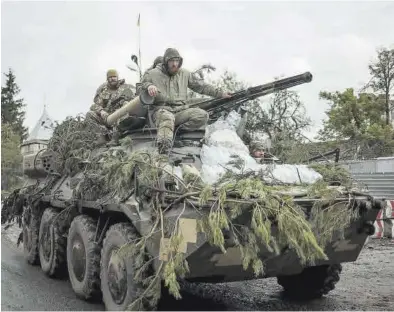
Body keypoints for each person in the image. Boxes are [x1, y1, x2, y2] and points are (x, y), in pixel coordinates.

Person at [140, 48, 231, 154]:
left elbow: (201, 87)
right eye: (171, 61)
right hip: (160, 110)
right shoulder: (152, 74)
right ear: (165, 62)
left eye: (177, 61)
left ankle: (176, 131)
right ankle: (163, 149)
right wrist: (149, 86)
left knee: (202, 115)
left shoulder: (185, 74)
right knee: (167, 118)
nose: (174, 64)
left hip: (180, 111)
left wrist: (221, 93)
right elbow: (140, 87)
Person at [87, 69, 135, 146]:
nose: (112, 79)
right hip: (106, 117)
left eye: (114, 77)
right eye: (110, 77)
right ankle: (101, 138)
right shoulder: (104, 91)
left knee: (124, 107)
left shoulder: (125, 88)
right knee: (90, 114)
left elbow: (131, 101)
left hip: (119, 116)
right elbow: (95, 105)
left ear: (117, 77)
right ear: (107, 79)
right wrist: (101, 111)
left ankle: (115, 138)